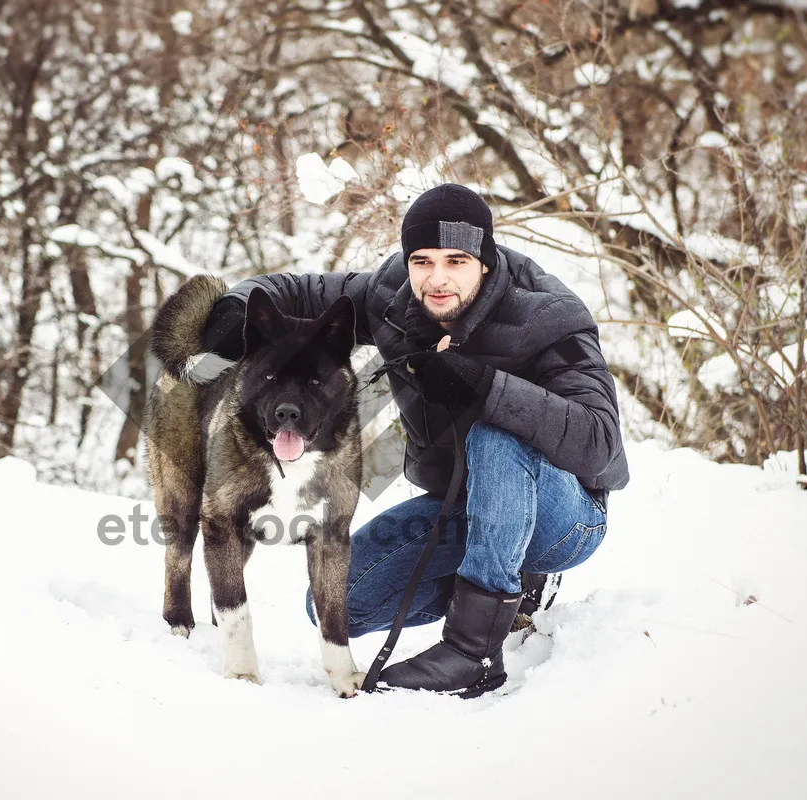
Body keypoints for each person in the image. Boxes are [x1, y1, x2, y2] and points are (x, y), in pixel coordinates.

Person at [200, 183, 629, 696]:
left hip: (564, 517)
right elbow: (298, 290)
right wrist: (233, 307)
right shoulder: (391, 297)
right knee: (336, 603)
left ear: (485, 261)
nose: (437, 278)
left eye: (456, 260)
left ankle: (473, 651)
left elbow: (599, 443)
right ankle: (511, 593)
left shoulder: (546, 316)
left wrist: (483, 385)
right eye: (421, 261)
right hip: (468, 506)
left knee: (494, 432)